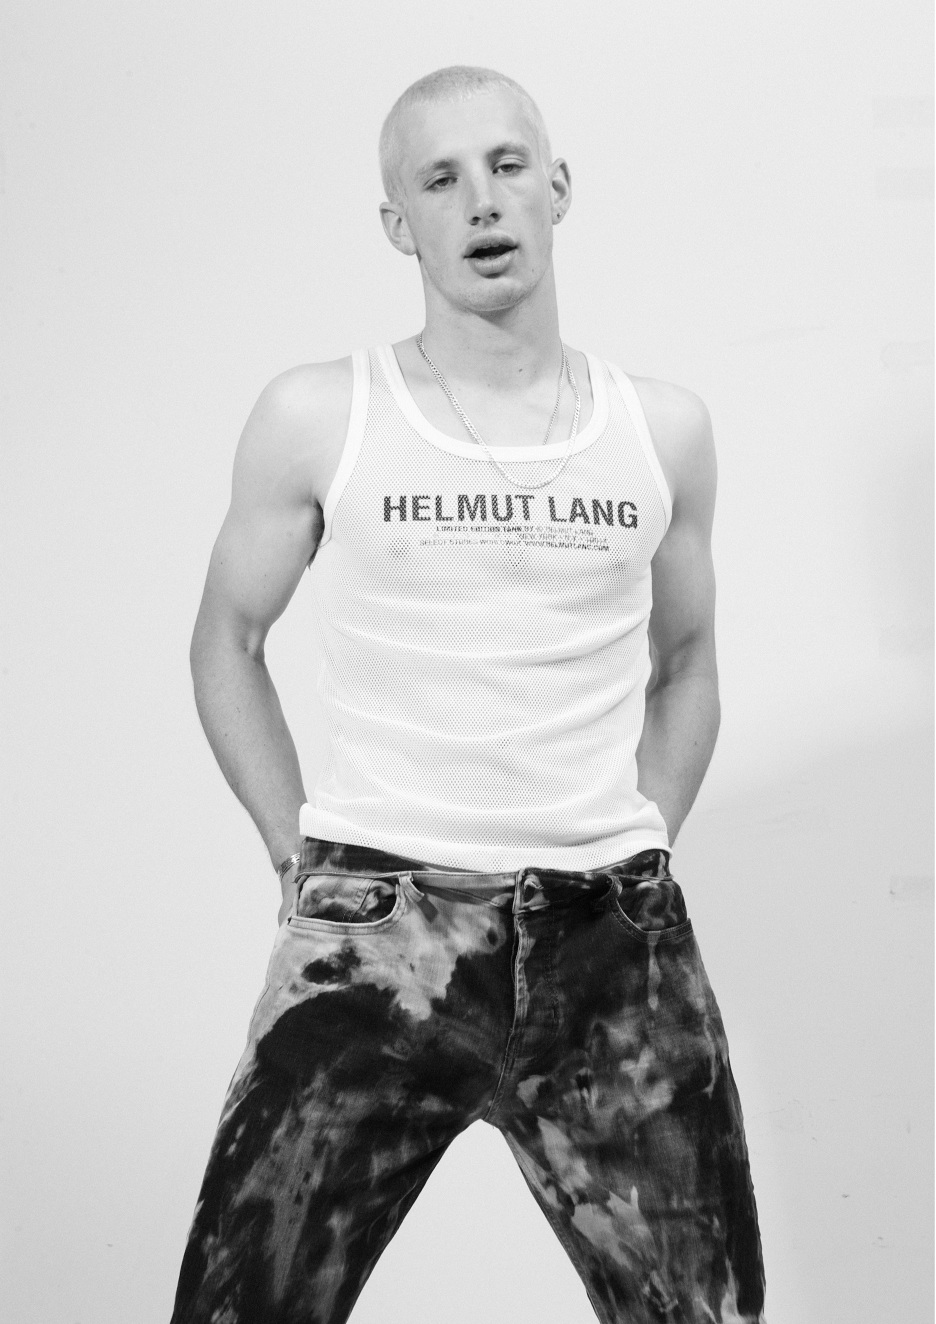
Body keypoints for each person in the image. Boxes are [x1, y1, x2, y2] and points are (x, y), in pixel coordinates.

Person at [170, 65, 766, 1324]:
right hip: (379, 930)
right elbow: (227, 639)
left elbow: (690, 663)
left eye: (506, 165)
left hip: (613, 944)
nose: (481, 201)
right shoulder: (321, 412)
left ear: (558, 187)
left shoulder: (661, 427)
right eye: (440, 181)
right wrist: (297, 853)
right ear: (400, 224)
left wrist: (633, 845)